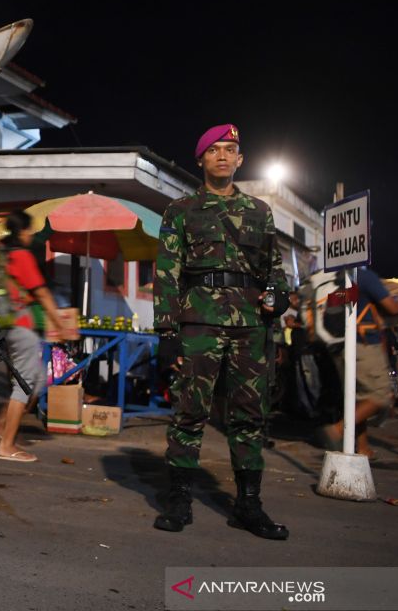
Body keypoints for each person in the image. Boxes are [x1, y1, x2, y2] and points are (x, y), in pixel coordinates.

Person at [152, 124, 290, 540]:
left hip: (251, 326)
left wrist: (279, 298)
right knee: (190, 411)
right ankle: (178, 499)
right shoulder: (181, 210)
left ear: (240, 160)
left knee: (250, 416)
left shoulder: (260, 212)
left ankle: (248, 505)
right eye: (215, 151)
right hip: (199, 324)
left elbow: (275, 270)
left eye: (230, 150)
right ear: (201, 160)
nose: (223, 156)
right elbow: (166, 274)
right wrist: (166, 332)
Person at [0, 211, 66, 462]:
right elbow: (41, 293)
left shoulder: (1, 256)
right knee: (26, 382)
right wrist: (60, 323)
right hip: (20, 326)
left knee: (37, 380)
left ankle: (0, 424)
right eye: (29, 231)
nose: (31, 236)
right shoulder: (22, 256)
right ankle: (6, 446)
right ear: (23, 232)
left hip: (2, 325)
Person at [317, 267, 398, 457]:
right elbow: (392, 307)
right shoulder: (364, 276)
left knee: (357, 399)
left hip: (340, 346)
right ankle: (337, 430)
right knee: (380, 395)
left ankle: (362, 447)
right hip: (364, 345)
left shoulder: (340, 279)